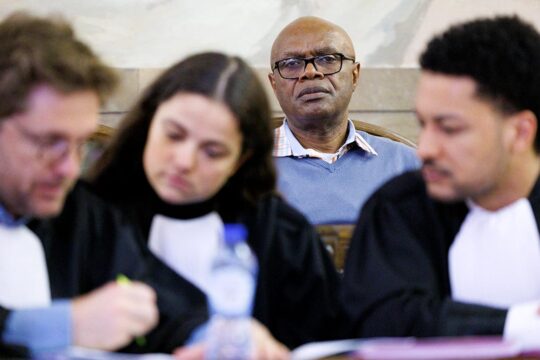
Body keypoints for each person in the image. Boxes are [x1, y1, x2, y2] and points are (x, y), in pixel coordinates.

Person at [88, 51, 343, 352]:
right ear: (149, 124)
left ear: (241, 159)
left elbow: (325, 344)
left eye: (212, 152)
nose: (184, 161)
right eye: (173, 135)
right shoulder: (91, 215)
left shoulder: (281, 232)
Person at [0, 12, 207, 356]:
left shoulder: (76, 209)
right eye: (48, 143)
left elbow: (161, 298)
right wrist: (65, 324)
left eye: (81, 144)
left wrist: (210, 333)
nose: (68, 168)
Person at [341, 15, 540, 347]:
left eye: (449, 128)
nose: (426, 149)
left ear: (519, 133)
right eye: (423, 124)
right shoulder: (398, 207)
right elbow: (384, 319)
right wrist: (519, 324)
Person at [268, 16, 419, 225]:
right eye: (291, 64)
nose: (311, 72)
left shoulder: (408, 165)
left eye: (327, 59)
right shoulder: (242, 167)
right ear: (274, 84)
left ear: (355, 75)